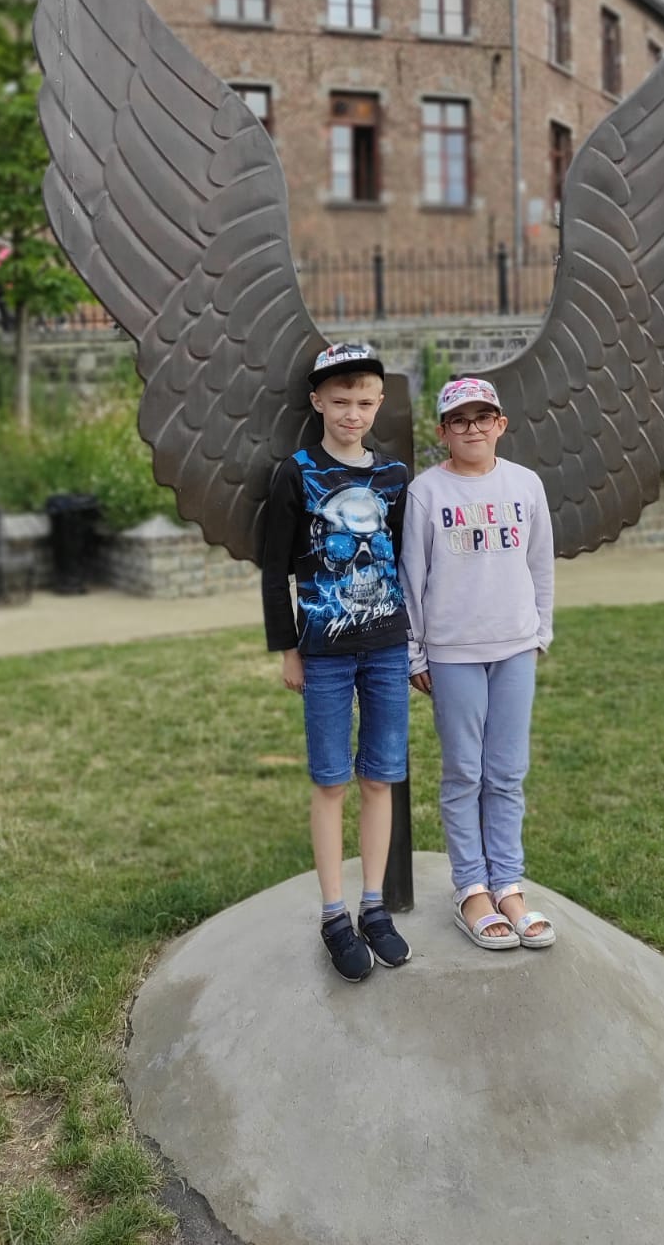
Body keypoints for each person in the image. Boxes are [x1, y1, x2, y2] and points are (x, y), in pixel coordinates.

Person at [261, 342, 413, 982]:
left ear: (379, 404)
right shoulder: (296, 475)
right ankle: (333, 914)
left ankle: (373, 906)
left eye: (365, 402)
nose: (354, 413)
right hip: (323, 653)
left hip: (386, 648)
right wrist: (289, 648)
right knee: (330, 781)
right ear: (318, 402)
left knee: (380, 777)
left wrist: (415, 645)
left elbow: (406, 561)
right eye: (342, 401)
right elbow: (274, 569)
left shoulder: (395, 478)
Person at [400, 376, 556, 951]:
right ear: (442, 431)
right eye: (459, 420)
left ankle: (508, 884)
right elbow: (411, 577)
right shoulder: (426, 492)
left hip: (514, 647)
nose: (472, 428)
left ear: (500, 424)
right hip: (453, 653)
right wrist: (416, 651)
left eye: (482, 417)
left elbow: (541, 563)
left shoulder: (526, 484)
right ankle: (471, 889)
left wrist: (540, 631)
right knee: (465, 772)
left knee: (507, 772)